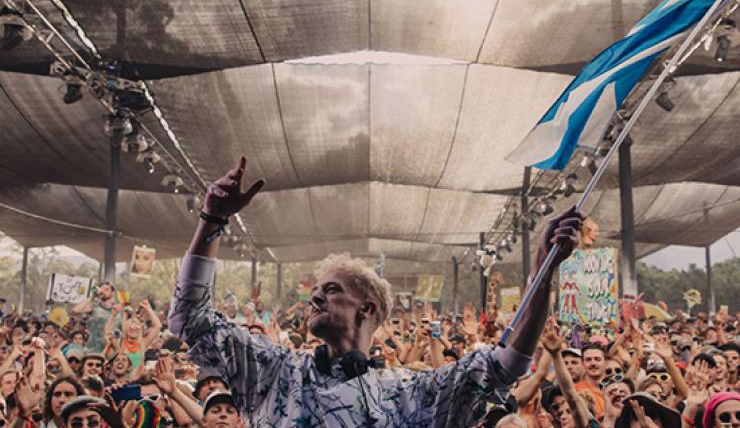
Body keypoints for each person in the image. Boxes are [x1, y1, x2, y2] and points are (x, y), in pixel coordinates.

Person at [168, 157, 583, 427]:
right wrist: (210, 222)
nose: (316, 297)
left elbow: (506, 364)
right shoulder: (277, 371)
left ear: (366, 307)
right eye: (316, 290)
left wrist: (542, 271)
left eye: (331, 290)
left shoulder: (408, 393)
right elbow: (191, 320)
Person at [71, 283, 119, 353]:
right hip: (93, 350)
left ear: (112, 293)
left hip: (112, 352)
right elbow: (75, 310)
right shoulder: (94, 307)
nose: (103, 291)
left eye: (106, 289)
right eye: (101, 289)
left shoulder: (118, 311)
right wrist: (91, 297)